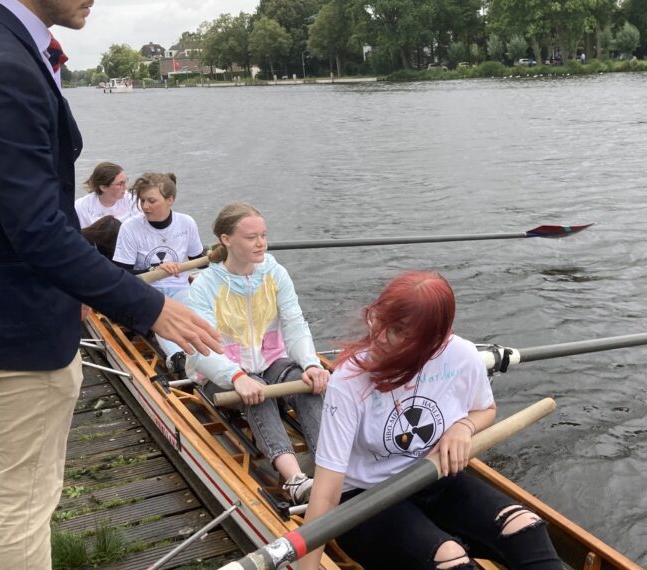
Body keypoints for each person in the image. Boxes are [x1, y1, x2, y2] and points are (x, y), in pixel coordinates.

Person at [0, 1, 221, 567]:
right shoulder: (3, 61)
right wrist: (150, 307)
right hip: (12, 322)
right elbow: (37, 229)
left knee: (6, 479)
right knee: (25, 500)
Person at [299, 272, 561, 570]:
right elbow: (327, 491)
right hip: (365, 500)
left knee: (525, 526)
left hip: (434, 477)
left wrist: (465, 426)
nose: (380, 336)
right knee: (450, 559)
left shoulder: (462, 356)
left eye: (397, 330)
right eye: (378, 319)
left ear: (436, 340)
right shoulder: (349, 381)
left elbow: (485, 409)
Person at [184, 202, 330, 504]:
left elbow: (294, 325)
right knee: (258, 392)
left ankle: (328, 468)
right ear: (226, 240)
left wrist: (312, 364)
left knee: (309, 386)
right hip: (220, 372)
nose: (261, 243)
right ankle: (294, 480)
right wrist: (236, 376)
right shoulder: (204, 287)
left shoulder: (275, 273)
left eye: (263, 235)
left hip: (270, 361)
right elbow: (202, 349)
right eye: (251, 237)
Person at [112, 172, 205, 360]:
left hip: (179, 288)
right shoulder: (130, 227)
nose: (145, 206)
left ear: (169, 200)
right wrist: (155, 270)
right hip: (145, 290)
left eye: (151, 201)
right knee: (162, 312)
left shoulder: (186, 223)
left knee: (199, 317)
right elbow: (120, 274)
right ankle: (177, 358)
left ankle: (206, 356)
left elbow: (200, 261)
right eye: (142, 200)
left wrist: (219, 254)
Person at [73, 161, 141, 228]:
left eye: (125, 182)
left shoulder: (133, 201)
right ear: (103, 187)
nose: (125, 187)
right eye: (120, 184)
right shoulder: (80, 207)